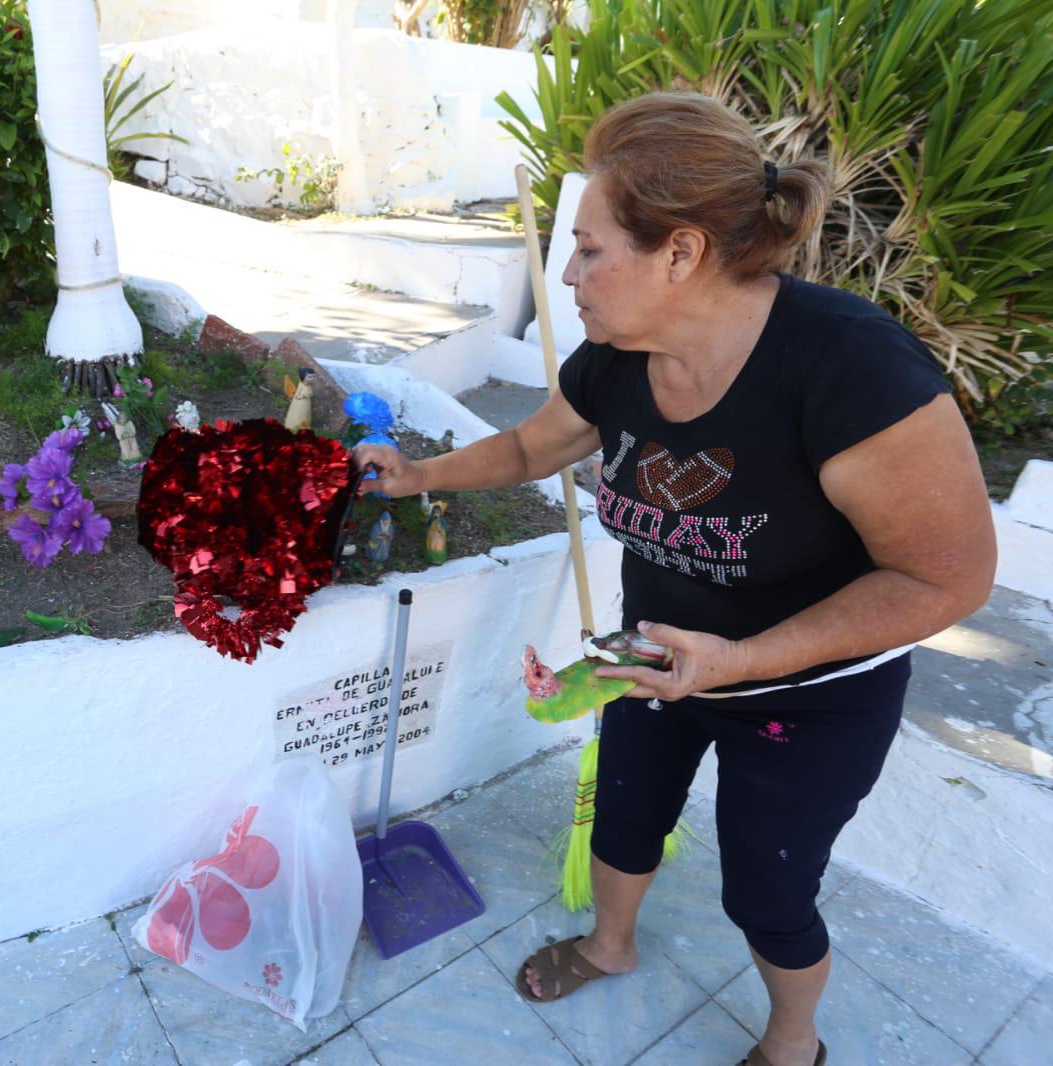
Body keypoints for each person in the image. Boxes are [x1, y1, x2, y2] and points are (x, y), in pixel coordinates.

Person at [352, 91, 996, 1066]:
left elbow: (948, 579)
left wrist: (741, 658)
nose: (567, 274)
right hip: (654, 656)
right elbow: (534, 445)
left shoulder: (847, 370)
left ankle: (793, 1042)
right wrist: (417, 474)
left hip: (808, 691)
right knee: (624, 813)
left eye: (591, 249)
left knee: (767, 889)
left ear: (683, 252)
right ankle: (609, 947)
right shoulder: (617, 358)